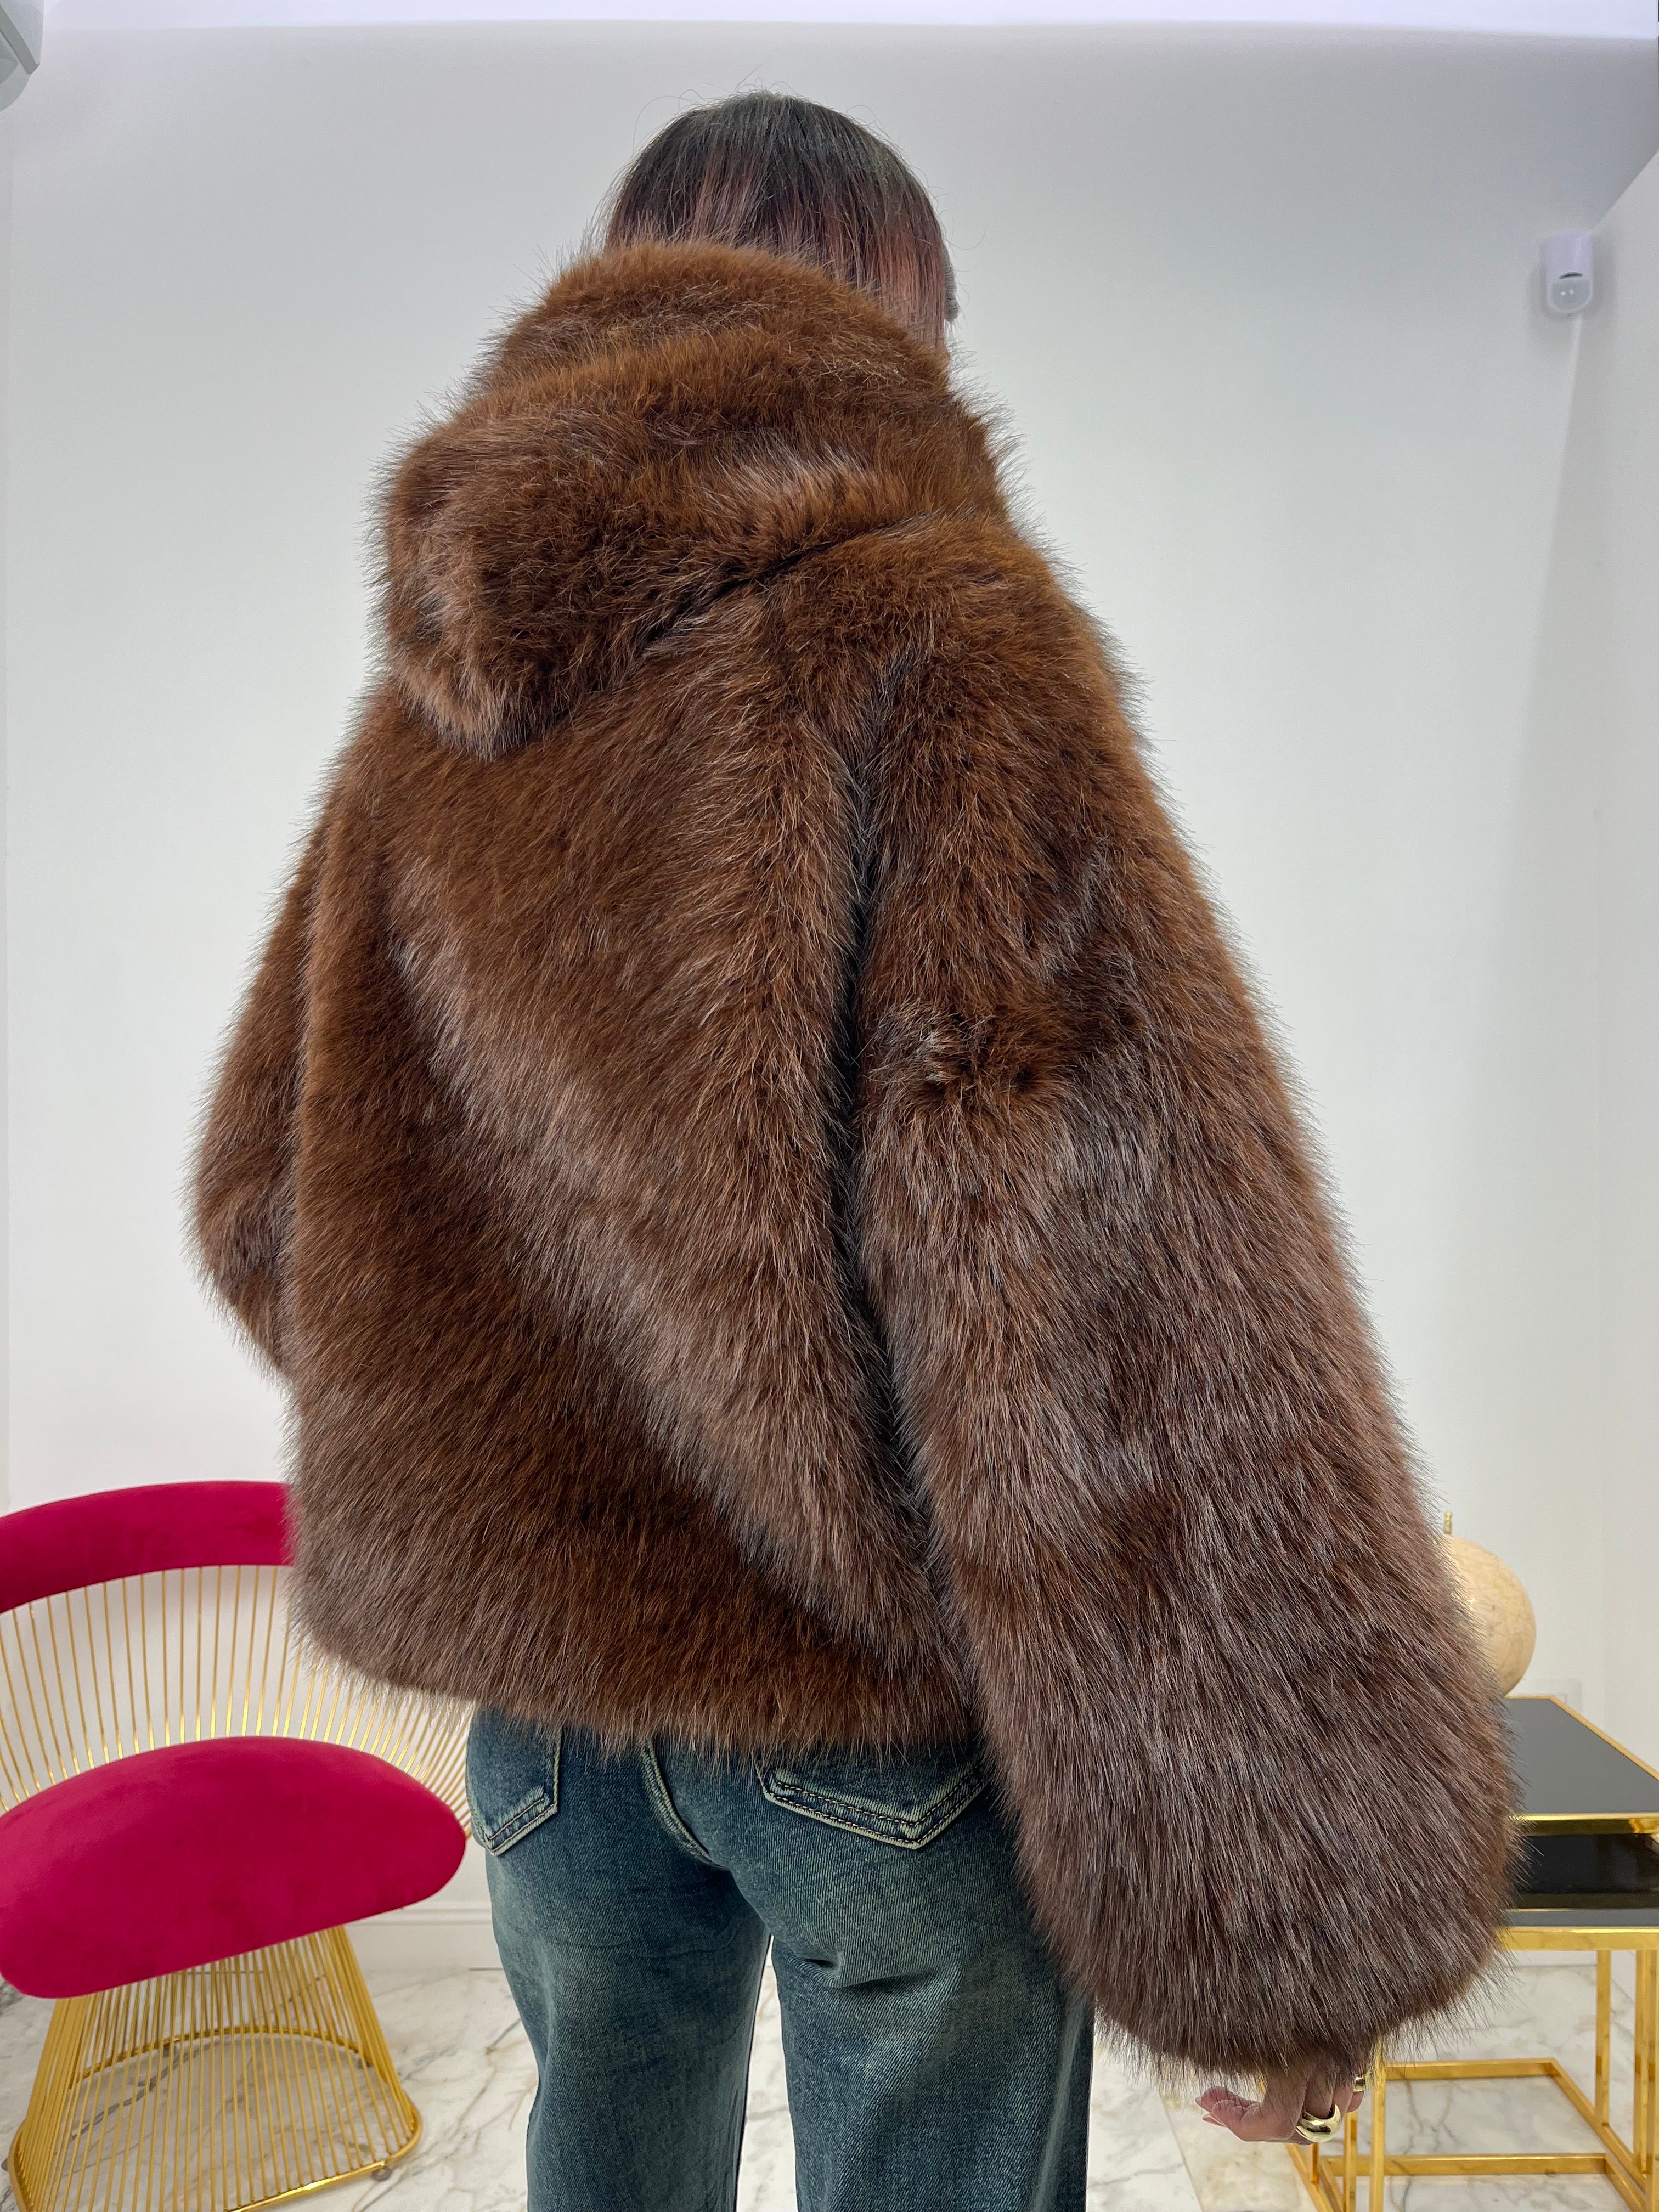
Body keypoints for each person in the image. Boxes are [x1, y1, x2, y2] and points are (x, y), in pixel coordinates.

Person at [194, 90, 1514, 2212]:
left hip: (553, 1744)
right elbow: (1112, 1308)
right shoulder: (944, 643)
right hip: (860, 1719)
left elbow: (265, 1210)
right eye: (945, 317)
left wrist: (566, 1448)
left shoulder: (424, 719)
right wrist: (1286, 1919)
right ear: (889, 313)